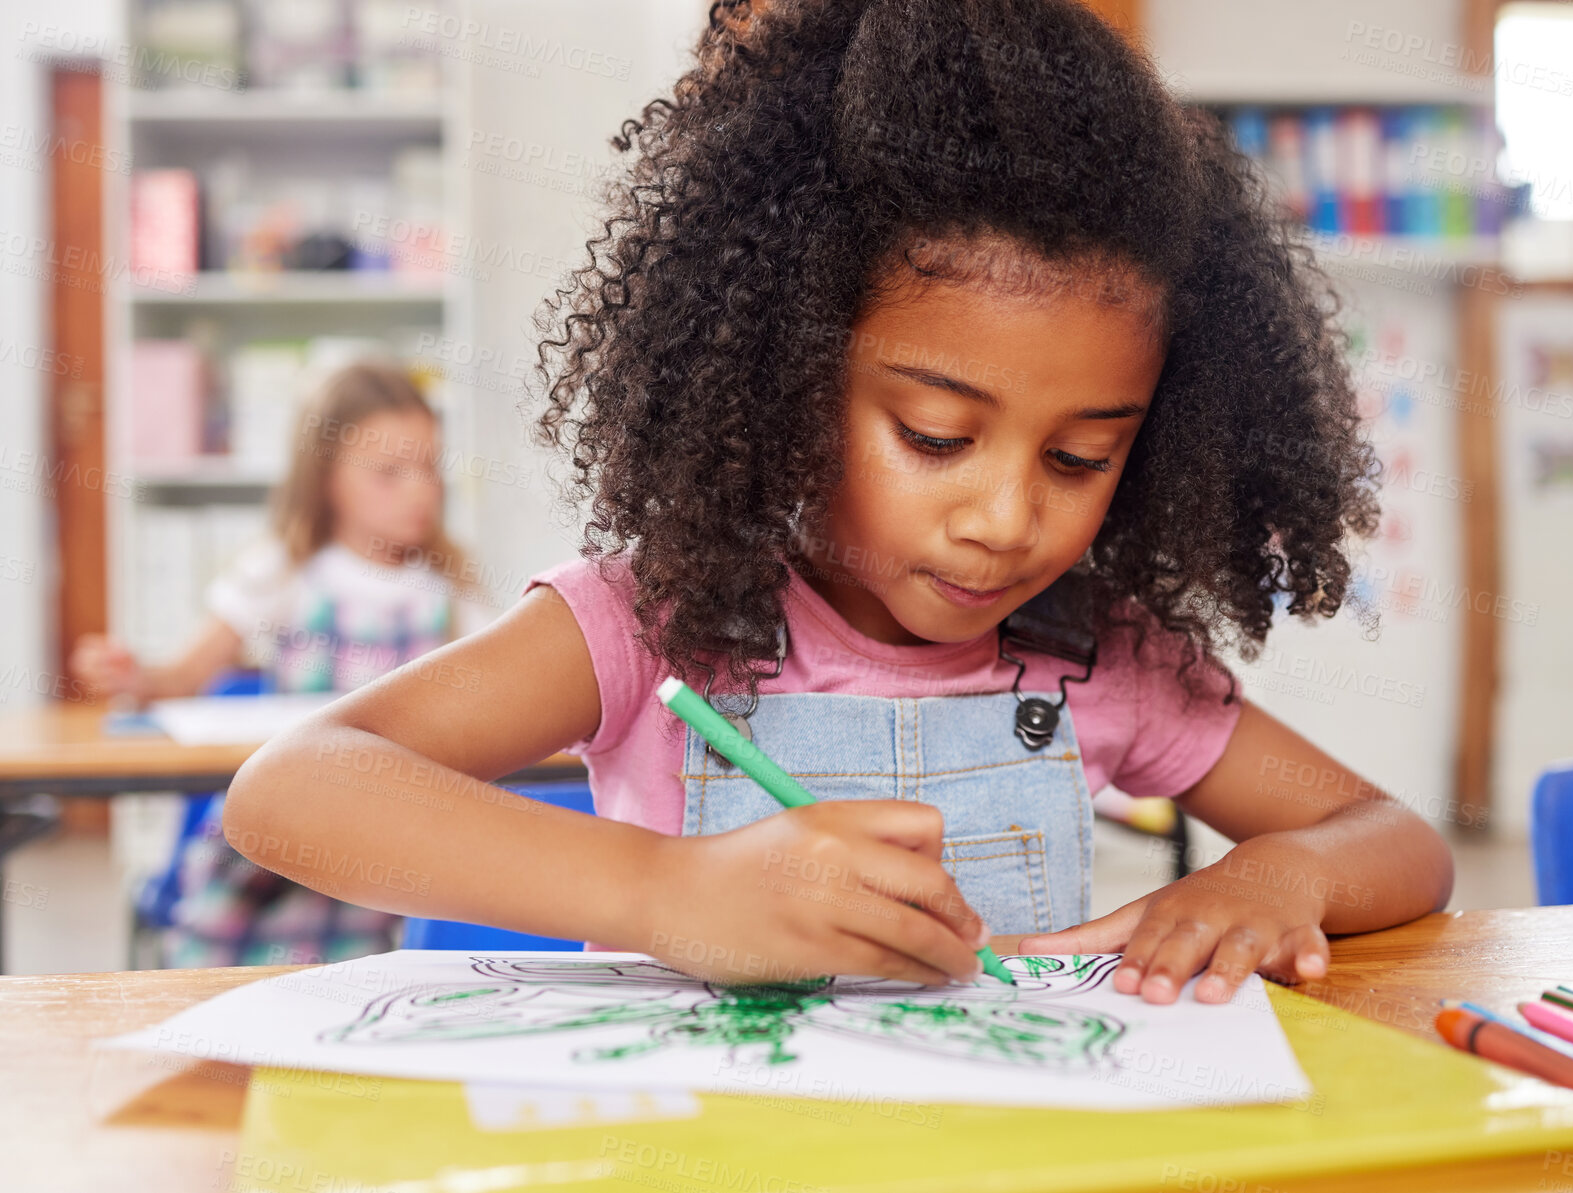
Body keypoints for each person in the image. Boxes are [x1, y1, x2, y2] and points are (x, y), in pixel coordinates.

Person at [223, 0, 1453, 1003]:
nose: (1003, 516)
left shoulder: (1099, 658)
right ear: (781, 379)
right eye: (934, 436)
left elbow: (1396, 838)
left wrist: (1281, 874)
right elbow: (294, 787)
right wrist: (663, 889)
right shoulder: (654, 621)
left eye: (1079, 457)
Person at [74, 360, 496, 966]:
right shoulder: (285, 571)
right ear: (325, 477)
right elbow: (182, 679)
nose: (419, 489)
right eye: (388, 472)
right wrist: (134, 678)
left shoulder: (450, 591)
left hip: (383, 857)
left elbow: (491, 704)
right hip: (272, 848)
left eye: (429, 468)